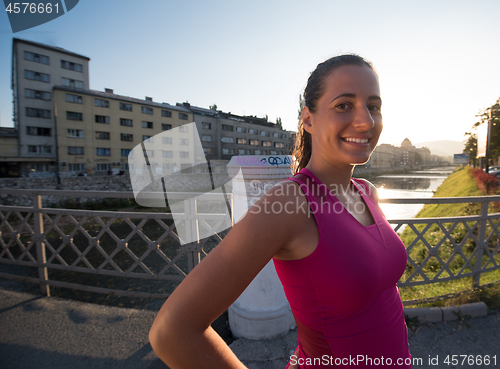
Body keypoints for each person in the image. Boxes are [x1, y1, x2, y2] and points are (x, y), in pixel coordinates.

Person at [149, 54, 411, 368]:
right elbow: (172, 331)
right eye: (344, 105)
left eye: (374, 106)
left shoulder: (367, 191)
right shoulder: (289, 204)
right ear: (308, 119)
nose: (365, 120)